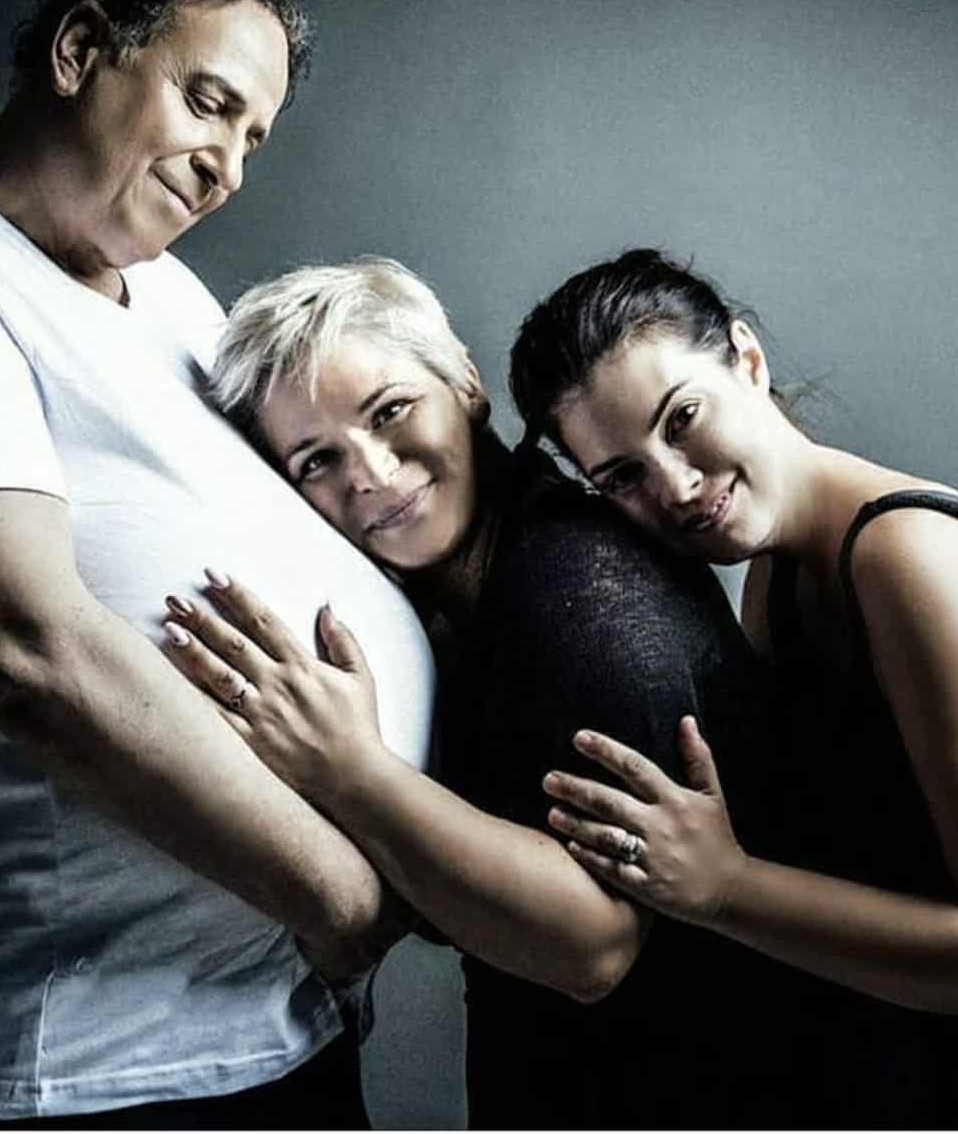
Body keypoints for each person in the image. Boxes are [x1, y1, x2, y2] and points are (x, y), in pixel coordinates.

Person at [0, 0, 437, 1128]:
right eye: (209, 104)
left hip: (274, 1028)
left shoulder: (174, 300)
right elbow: (27, 653)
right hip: (83, 1068)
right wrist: (341, 896)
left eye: (252, 139)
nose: (227, 167)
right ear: (82, 49)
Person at [503, 247, 958, 1129]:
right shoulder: (777, 579)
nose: (677, 487)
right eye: (622, 476)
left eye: (682, 418)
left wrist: (725, 888)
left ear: (747, 359)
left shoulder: (911, 559)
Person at [161, 258, 800, 1129]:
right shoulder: (481, 592)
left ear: (463, 381)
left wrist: (350, 770)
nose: (372, 473)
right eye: (318, 460)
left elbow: (592, 949)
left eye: (390, 411)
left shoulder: (580, 596)